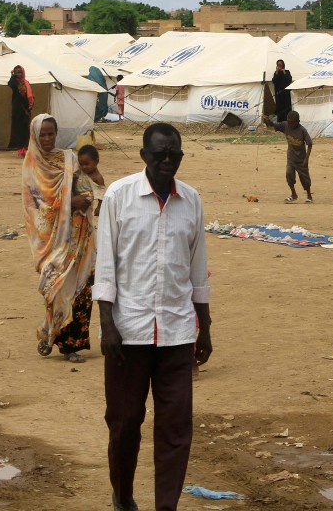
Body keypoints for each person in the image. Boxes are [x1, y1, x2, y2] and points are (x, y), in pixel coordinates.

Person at [94, 123, 213, 511]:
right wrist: (107, 324)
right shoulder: (119, 196)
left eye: (173, 154)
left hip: (178, 332)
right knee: (125, 423)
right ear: (144, 155)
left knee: (176, 428)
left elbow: (198, 271)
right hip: (128, 334)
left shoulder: (191, 201)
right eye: (159, 154)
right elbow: (106, 266)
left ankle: (167, 505)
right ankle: (123, 497)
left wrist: (205, 327)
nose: (166, 161)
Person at [22, 114, 97, 363]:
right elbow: (36, 207)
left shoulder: (69, 158)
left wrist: (83, 198)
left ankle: (69, 343)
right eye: (42, 134)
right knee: (58, 289)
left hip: (78, 235)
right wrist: (68, 203)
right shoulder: (32, 167)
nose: (46, 138)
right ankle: (53, 334)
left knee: (82, 289)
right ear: (34, 135)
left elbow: (86, 185)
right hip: (52, 242)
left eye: (50, 133)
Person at [262, 110, 313, 203]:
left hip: (301, 159)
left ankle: (309, 195)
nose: (290, 124)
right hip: (291, 157)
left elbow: (310, 144)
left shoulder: (302, 130)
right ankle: (294, 194)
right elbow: (273, 125)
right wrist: (267, 120)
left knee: (305, 178)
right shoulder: (285, 125)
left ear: (298, 122)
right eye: (289, 122)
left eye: (292, 123)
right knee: (289, 174)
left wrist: (306, 159)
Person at [8, 65, 34, 154]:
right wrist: (12, 76)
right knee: (19, 130)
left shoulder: (26, 83)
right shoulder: (15, 83)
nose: (19, 74)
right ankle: (21, 150)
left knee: (26, 130)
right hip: (18, 110)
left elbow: (31, 96)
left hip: (26, 111)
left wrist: (30, 106)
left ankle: (25, 148)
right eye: (17, 72)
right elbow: (10, 84)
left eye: (20, 72)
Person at [78, 143, 106, 216]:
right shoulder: (81, 172)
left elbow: (101, 195)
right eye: (81, 164)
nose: (83, 167)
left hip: (86, 205)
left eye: (86, 164)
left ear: (96, 161)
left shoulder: (97, 178)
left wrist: (99, 207)